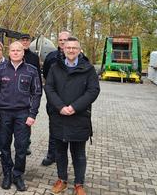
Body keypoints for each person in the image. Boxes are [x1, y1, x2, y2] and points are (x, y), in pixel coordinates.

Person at [45, 37, 100, 195]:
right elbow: (49, 88)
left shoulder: (88, 69)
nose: (70, 50)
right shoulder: (55, 67)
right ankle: (62, 180)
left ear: (79, 49)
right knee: (60, 151)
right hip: (59, 116)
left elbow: (93, 91)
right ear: (63, 49)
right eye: (68, 47)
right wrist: (60, 106)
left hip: (79, 117)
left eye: (74, 48)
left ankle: (79, 184)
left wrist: (74, 107)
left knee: (79, 153)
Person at [0, 41, 42, 191]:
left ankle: (18, 175)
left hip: (23, 114)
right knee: (4, 146)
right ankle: (7, 174)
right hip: (3, 113)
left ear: (23, 52)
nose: (16, 52)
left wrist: (33, 114)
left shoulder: (31, 70)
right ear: (9, 52)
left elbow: (37, 93)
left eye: (19, 50)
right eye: (13, 50)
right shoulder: (0, 70)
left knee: (21, 147)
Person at [41, 30, 70, 166]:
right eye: (60, 40)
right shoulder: (51, 57)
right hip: (53, 100)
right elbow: (46, 76)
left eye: (66, 40)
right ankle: (51, 155)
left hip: (70, 101)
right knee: (54, 128)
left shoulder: (77, 56)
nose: (63, 42)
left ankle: (63, 156)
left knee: (69, 129)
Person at [18, 33, 42, 156]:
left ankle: (26, 143)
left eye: (27, 41)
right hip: (16, 93)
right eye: (23, 40)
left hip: (29, 93)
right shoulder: (15, 54)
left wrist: (38, 92)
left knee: (27, 120)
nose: (25, 42)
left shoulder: (33, 57)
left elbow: (38, 74)